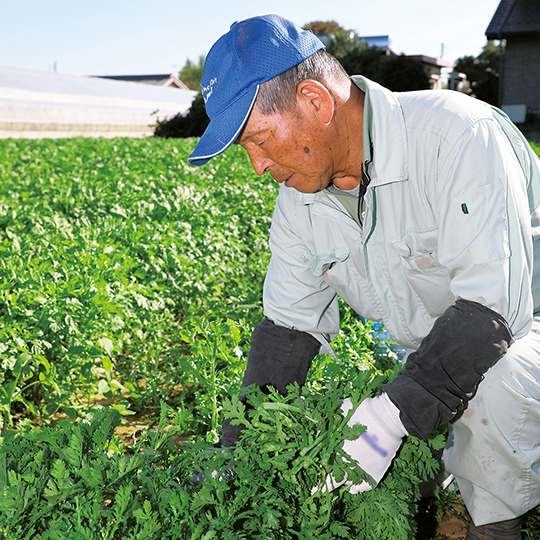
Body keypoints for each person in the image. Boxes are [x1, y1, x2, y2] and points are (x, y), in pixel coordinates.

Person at [188, 14, 540, 540]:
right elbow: (289, 328)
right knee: (397, 445)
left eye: (259, 139)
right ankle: (447, 472)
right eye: (247, 150)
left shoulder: (457, 137)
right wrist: (237, 447)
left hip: (520, 330)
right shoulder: (298, 202)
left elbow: (492, 313)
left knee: (496, 383)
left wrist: (391, 417)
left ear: (316, 102)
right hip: (434, 346)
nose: (257, 166)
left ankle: (496, 524)